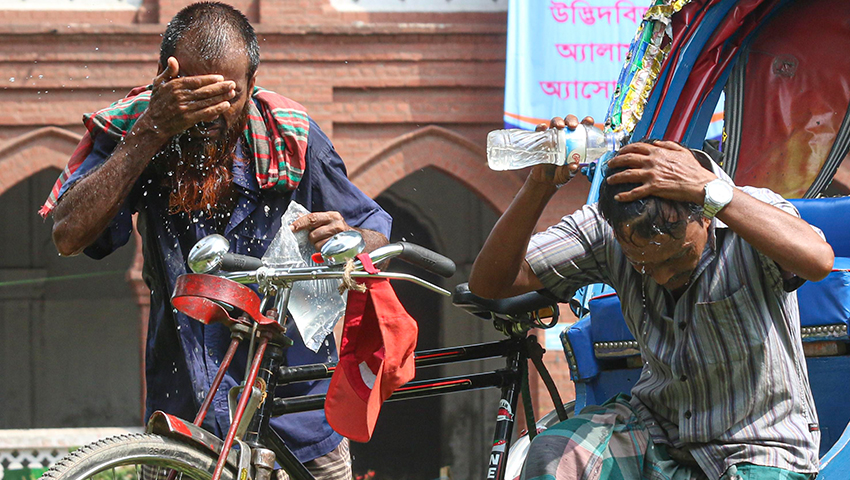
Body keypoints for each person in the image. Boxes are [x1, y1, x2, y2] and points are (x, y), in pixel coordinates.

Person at [42, 2, 391, 478]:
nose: (208, 119)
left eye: (224, 99)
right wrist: (151, 131)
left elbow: (372, 230)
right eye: (193, 97)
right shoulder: (138, 131)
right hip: (185, 418)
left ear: (251, 86)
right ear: (164, 80)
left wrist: (352, 239)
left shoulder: (291, 138)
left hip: (295, 421)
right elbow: (68, 234)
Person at [468, 115, 834, 480]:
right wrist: (538, 186)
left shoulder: (747, 213)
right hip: (655, 430)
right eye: (642, 264)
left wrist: (712, 190)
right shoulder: (605, 228)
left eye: (677, 257)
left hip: (758, 445)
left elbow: (818, 260)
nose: (660, 276)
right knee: (554, 454)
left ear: (704, 217)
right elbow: (491, 284)